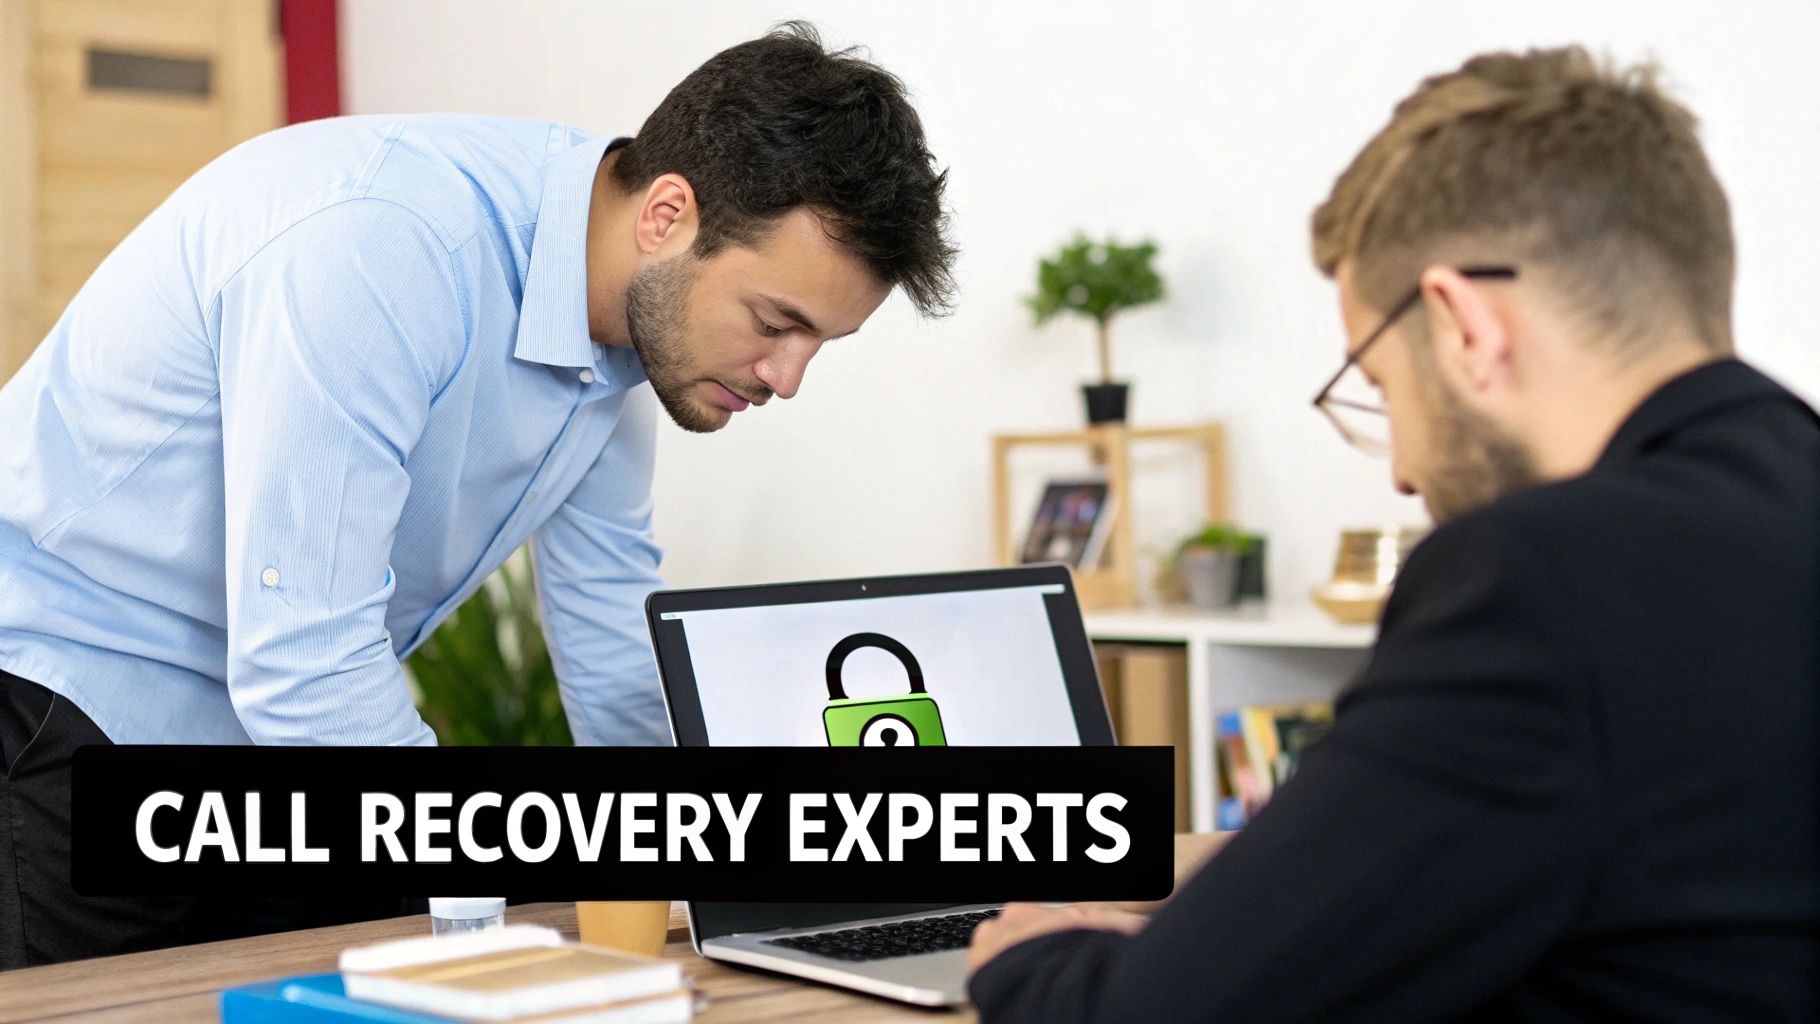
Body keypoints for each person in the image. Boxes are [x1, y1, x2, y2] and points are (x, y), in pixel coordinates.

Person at [0, 22, 955, 967]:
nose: (787, 379)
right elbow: (303, 658)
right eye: (776, 322)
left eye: (817, 344)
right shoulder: (379, 244)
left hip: (264, 741)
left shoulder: (621, 343)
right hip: (63, 704)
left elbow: (614, 660)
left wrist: (719, 864)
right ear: (668, 216)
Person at [967, 46, 1819, 1020]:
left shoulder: (1544, 579)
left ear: (1461, 323)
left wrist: (1029, 961)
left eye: (1378, 387)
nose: (1402, 470)